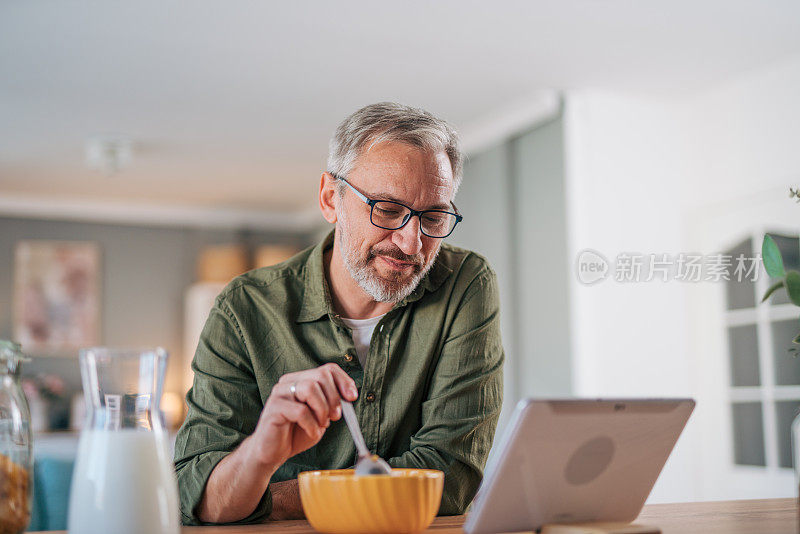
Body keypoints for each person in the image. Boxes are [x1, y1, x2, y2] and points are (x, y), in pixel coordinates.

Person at [173, 102, 504, 524]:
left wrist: (277, 497)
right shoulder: (244, 308)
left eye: (434, 217)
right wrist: (259, 454)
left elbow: (450, 476)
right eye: (386, 210)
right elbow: (198, 498)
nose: (411, 244)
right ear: (331, 199)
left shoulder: (465, 282)